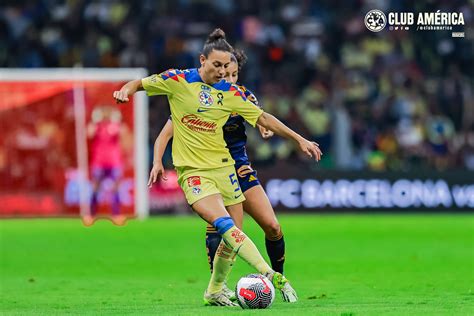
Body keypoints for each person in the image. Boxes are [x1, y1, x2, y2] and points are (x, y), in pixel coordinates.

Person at [113, 28, 322, 306]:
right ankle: (271, 275)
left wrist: (299, 139)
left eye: (228, 66)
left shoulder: (233, 93)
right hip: (195, 173)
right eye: (218, 65)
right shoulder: (178, 80)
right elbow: (139, 84)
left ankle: (215, 290)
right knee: (227, 228)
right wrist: (125, 90)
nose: (224, 71)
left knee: (237, 232)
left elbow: (264, 118)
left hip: (228, 170)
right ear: (202, 60)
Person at [148, 49, 288, 301]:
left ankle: (277, 279)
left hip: (239, 169)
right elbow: (166, 133)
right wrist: (157, 160)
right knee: (224, 228)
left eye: (235, 74)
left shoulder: (240, 96)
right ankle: (218, 285)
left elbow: (261, 119)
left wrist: (265, 130)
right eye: (227, 73)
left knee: (272, 226)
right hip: (206, 168)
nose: (230, 78)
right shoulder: (199, 97)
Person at [83, 106, 129, 226]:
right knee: (95, 188)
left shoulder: (115, 126)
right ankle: (91, 215)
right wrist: (94, 121)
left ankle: (116, 215)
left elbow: (124, 133)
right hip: (99, 162)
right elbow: (88, 133)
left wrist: (117, 121)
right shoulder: (97, 127)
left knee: (116, 189)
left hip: (114, 162)